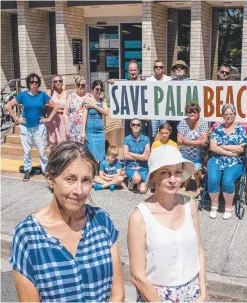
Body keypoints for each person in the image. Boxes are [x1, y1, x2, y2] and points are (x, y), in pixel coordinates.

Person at [9, 141, 124, 302]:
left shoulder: (102, 222)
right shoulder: (27, 236)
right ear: (50, 178)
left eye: (86, 180)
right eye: (70, 179)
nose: (79, 191)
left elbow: (117, 294)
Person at [128, 145, 206, 302]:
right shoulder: (139, 217)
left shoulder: (189, 204)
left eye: (177, 172)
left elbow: (198, 251)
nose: (172, 180)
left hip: (193, 293)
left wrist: (203, 292)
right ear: (153, 177)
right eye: (165, 173)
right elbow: (137, 276)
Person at [5, 73, 59, 182]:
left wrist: (48, 119)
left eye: (36, 82)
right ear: (28, 83)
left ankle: (45, 171)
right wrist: (17, 118)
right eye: (31, 82)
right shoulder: (23, 95)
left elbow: (55, 106)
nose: (34, 84)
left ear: (38, 83)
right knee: (27, 151)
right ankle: (27, 170)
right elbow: (8, 105)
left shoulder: (42, 95)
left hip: (39, 127)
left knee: (42, 151)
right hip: (25, 127)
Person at [208, 104, 247, 219]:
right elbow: (213, 147)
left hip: (235, 161)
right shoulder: (218, 129)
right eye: (226, 114)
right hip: (217, 159)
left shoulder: (240, 129)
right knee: (213, 179)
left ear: (234, 115)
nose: (228, 116)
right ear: (222, 115)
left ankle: (228, 207)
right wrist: (231, 151)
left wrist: (223, 146)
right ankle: (214, 206)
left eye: (231, 114)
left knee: (227, 180)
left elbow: (241, 149)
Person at [177, 103, 209, 191]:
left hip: (198, 156)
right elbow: (179, 141)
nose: (192, 114)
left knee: (196, 170)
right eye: (189, 112)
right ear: (187, 112)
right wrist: (197, 142)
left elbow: (204, 141)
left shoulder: (202, 123)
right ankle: (185, 185)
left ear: (198, 112)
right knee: (185, 168)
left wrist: (186, 141)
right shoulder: (183, 123)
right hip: (184, 155)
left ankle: (198, 187)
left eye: (195, 112)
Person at [82, 80, 109, 162]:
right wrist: (83, 131)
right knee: (92, 150)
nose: (99, 91)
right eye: (97, 89)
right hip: (90, 130)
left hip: (100, 130)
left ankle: (99, 171)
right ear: (92, 89)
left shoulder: (102, 100)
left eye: (101, 89)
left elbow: (106, 112)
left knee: (100, 150)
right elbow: (84, 117)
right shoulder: (87, 100)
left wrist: (94, 106)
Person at [124, 118, 151, 194]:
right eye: (133, 125)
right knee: (137, 179)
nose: (136, 126)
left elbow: (146, 157)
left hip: (143, 167)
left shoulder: (146, 139)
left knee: (142, 191)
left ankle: (138, 182)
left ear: (140, 126)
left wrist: (132, 154)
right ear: (130, 126)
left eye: (138, 125)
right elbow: (125, 155)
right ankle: (134, 181)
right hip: (131, 166)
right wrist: (141, 156)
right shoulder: (126, 139)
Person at [146, 60, 171, 141]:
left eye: (160, 67)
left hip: (164, 112)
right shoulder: (148, 80)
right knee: (153, 133)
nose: (158, 68)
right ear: (153, 69)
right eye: (156, 67)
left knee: (164, 131)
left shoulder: (169, 80)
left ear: (163, 69)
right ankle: (154, 150)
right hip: (153, 112)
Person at [64, 76, 90, 143]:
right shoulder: (71, 97)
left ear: (86, 86)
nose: (80, 87)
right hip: (73, 128)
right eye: (78, 85)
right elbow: (66, 113)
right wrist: (67, 129)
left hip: (86, 128)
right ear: (75, 86)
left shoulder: (89, 97)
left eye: (82, 85)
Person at [45, 74, 67, 149]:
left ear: (62, 82)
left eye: (60, 81)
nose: (58, 83)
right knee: (53, 144)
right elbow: (46, 104)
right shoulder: (49, 92)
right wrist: (60, 107)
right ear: (53, 83)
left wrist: (56, 106)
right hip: (52, 120)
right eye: (55, 81)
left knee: (63, 143)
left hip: (63, 121)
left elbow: (68, 106)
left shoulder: (67, 93)